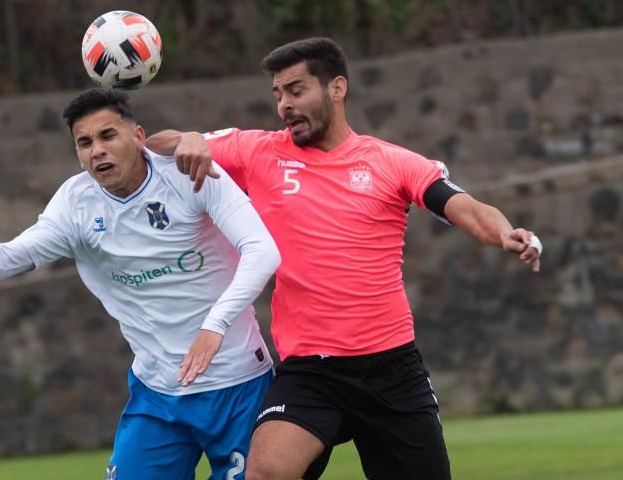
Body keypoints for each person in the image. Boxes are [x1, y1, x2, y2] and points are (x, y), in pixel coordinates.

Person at [145, 37, 543, 480]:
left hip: (391, 368)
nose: (285, 106)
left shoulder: (391, 162)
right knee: (266, 473)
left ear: (337, 88)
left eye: (297, 90)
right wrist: (194, 139)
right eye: (278, 95)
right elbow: (162, 144)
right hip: (311, 372)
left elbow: (462, 206)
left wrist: (506, 232)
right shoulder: (258, 151)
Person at [0, 88, 280, 480]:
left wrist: (214, 326)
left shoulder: (191, 172)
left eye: (107, 135)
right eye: (85, 142)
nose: (97, 150)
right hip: (157, 395)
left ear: (138, 136)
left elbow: (263, 252)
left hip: (237, 384)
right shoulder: (75, 206)